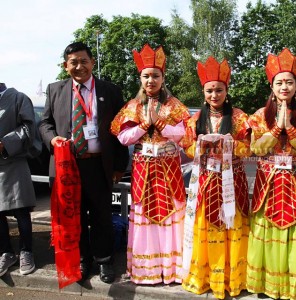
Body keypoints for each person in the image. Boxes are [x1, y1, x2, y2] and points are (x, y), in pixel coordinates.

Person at [39, 42, 130, 284]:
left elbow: (120, 130)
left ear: (91, 62)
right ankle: (82, 259)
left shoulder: (110, 90)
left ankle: (104, 260)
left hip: (99, 165)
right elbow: (44, 124)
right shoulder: (55, 90)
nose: (79, 66)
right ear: (65, 65)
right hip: (67, 166)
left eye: (84, 61)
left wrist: (120, 166)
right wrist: (52, 138)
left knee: (101, 215)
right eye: (73, 62)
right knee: (74, 216)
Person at [110, 44, 190, 284]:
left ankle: (172, 269)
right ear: (140, 78)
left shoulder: (174, 105)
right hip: (144, 169)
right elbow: (122, 137)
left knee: (170, 214)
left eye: (155, 75)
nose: (151, 80)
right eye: (146, 76)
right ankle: (147, 270)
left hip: (169, 169)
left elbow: (186, 136)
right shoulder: (133, 106)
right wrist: (144, 125)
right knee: (145, 215)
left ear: (163, 77)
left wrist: (162, 125)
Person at [246, 48, 296, 299]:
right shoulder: (259, 115)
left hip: (295, 181)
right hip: (267, 182)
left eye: (289, 82)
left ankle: (294, 283)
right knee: (266, 228)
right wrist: (276, 127)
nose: (284, 86)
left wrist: (289, 129)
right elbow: (255, 149)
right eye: (279, 82)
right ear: (272, 86)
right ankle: (267, 283)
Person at [179, 57, 251, 299]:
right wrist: (200, 145)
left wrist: (230, 144)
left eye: (219, 90)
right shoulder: (196, 119)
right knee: (206, 227)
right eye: (209, 90)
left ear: (227, 90)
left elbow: (249, 148)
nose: (214, 95)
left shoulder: (240, 117)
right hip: (206, 180)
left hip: (233, 179)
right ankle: (205, 276)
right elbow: (186, 147)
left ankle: (232, 279)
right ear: (204, 91)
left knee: (232, 224)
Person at [0, 83, 37, 277]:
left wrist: (5, 143)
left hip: (13, 161)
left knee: (21, 210)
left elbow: (29, 127)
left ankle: (26, 251)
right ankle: (6, 252)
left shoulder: (18, 97)